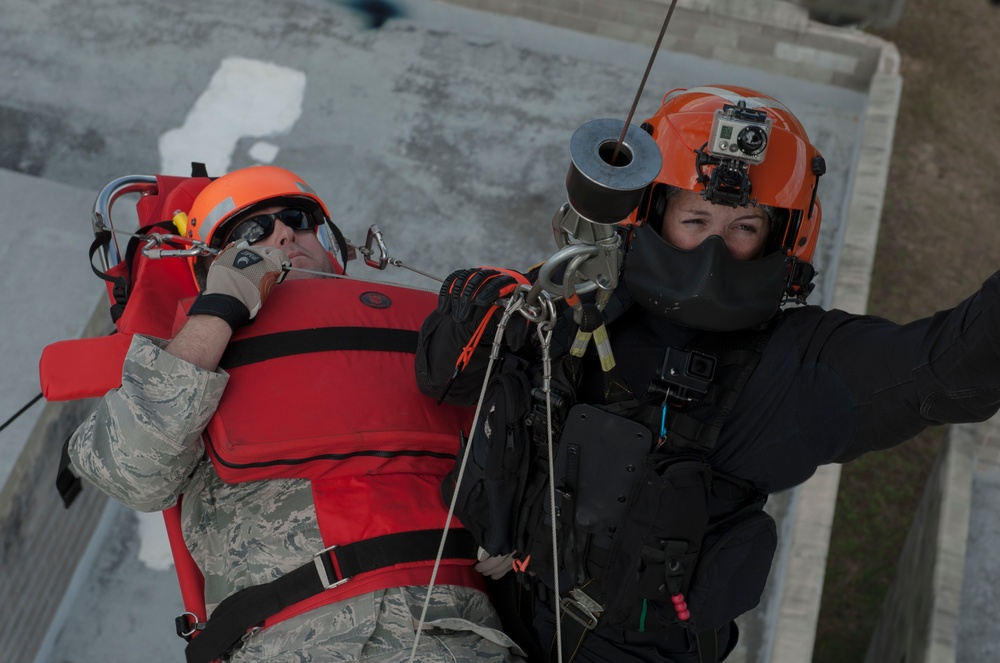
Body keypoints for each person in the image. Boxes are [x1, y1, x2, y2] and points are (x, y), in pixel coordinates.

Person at [414, 85, 1000, 662]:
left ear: (781, 239)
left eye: (744, 227)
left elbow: (949, 369)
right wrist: (470, 310)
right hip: (499, 606)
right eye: (696, 218)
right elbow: (449, 382)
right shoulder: (583, 299)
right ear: (653, 213)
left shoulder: (800, 367)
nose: (713, 252)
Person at [68, 165, 525, 663]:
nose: (283, 233)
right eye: (250, 232)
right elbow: (129, 471)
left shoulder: (425, 343)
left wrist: (514, 520)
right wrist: (220, 308)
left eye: (296, 219)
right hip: (305, 640)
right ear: (210, 265)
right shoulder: (183, 359)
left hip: (467, 636)